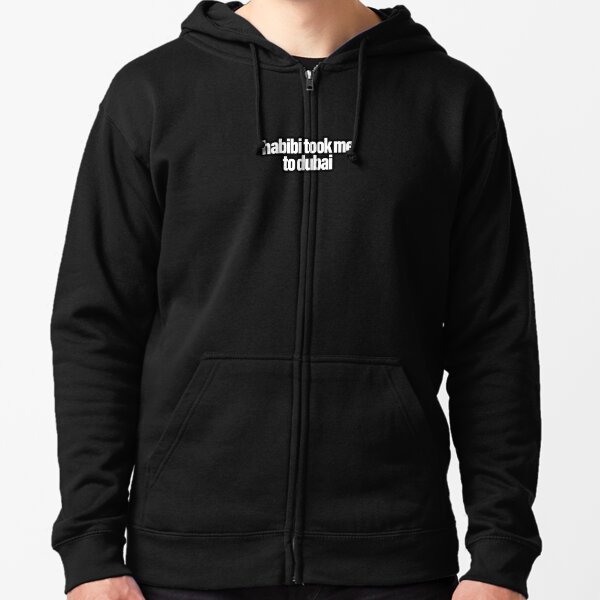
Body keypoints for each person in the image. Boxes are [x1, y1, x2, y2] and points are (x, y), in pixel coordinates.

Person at [50, 1, 542, 599]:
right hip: (186, 564)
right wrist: (92, 550)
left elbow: (494, 334)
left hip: (392, 559)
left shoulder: (451, 99)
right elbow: (97, 327)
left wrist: (499, 558)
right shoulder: (153, 92)